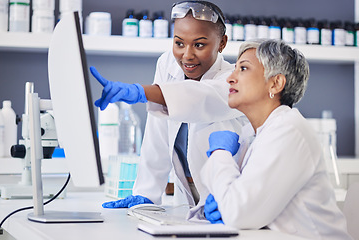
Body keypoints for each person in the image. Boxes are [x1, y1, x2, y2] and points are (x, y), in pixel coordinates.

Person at [91, 1, 246, 215]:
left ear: (222, 43)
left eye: (199, 45)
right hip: (188, 194)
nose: (187, 55)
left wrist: (141, 92)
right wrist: (147, 192)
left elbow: (199, 98)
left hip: (228, 192)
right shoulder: (168, 65)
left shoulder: (235, 79)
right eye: (179, 43)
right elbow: (157, 132)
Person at [200, 39, 353, 239]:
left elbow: (238, 212)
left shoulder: (289, 130)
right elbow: (238, 203)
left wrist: (220, 154)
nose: (230, 78)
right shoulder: (252, 134)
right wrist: (219, 202)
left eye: (243, 68)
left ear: (276, 83)